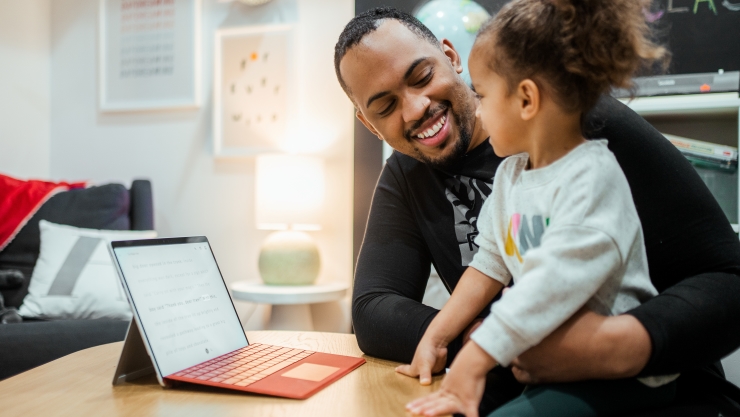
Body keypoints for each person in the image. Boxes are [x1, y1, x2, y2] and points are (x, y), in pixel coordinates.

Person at [334, 6, 740, 416]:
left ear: (452, 57)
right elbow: (374, 309)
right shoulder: (441, 173)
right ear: (369, 124)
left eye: (422, 77)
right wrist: (484, 345)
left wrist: (611, 345)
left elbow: (728, 277)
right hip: (517, 377)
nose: (416, 108)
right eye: (385, 107)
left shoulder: (580, 133)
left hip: (657, 388)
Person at [401, 0, 676, 415]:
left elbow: (549, 282)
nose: (476, 109)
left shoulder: (592, 179)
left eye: (483, 94)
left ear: (526, 100)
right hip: (549, 369)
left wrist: (477, 357)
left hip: (621, 383)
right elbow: (489, 261)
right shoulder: (512, 175)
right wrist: (438, 336)